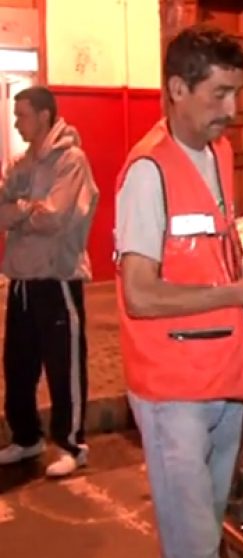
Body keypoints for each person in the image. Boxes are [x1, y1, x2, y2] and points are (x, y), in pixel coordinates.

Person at [114, 25, 243, 558]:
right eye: (220, 94)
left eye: (238, 93)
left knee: (192, 550)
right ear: (178, 88)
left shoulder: (217, 153)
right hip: (173, 391)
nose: (233, 110)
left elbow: (213, 258)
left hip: (223, 382)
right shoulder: (148, 173)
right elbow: (140, 295)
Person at [0, 86, 99, 478]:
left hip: (58, 277)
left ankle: (73, 444)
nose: (16, 122)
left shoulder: (71, 161)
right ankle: (26, 438)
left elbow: (55, 217)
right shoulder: (23, 163)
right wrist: (26, 211)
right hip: (22, 278)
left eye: (22, 114)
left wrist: (19, 211)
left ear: (43, 115)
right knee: (18, 365)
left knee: (64, 365)